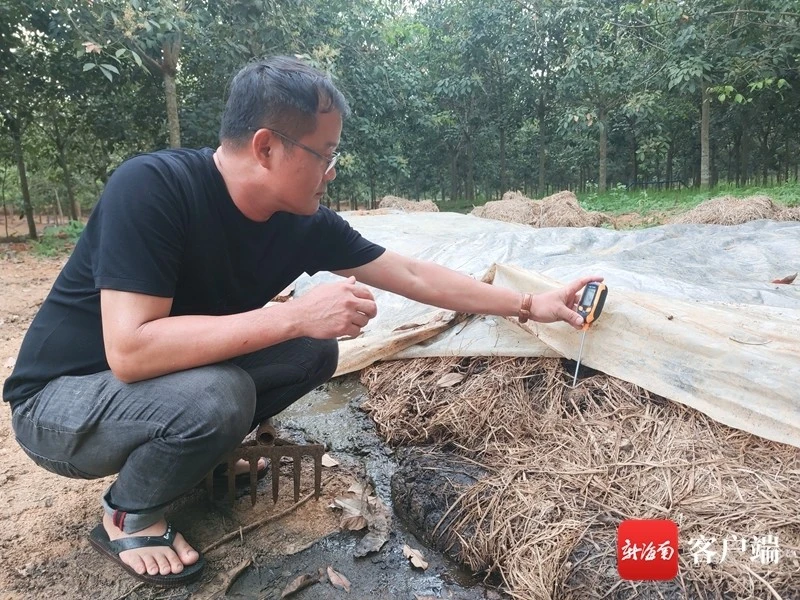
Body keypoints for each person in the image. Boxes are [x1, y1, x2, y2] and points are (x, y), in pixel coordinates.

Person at [2, 56, 601, 587]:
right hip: (61, 407)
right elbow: (130, 351)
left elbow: (415, 276)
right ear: (266, 147)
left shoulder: (301, 223)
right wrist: (293, 317)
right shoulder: (154, 188)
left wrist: (530, 303)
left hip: (149, 391)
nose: (332, 171)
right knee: (221, 392)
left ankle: (200, 459)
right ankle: (127, 515)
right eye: (326, 154)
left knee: (313, 353)